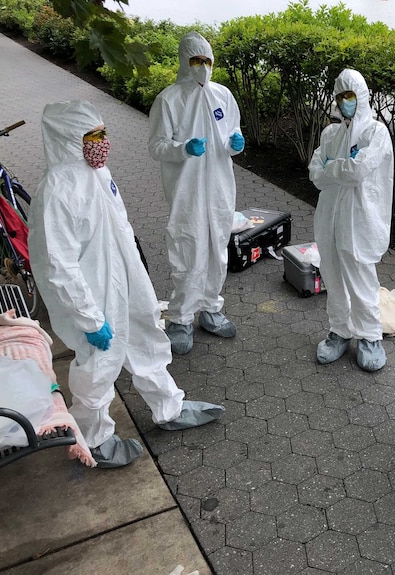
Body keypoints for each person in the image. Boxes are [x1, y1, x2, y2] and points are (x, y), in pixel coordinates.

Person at [29, 100, 225, 469]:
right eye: (93, 135)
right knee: (99, 367)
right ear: (69, 139)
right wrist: (89, 318)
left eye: (104, 132)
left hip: (126, 282)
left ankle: (169, 408)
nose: (103, 142)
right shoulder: (56, 190)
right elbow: (57, 264)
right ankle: (93, 438)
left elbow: (119, 229)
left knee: (147, 339)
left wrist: (138, 280)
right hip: (96, 296)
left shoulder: (98, 172)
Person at [148, 31, 244, 355]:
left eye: (207, 61)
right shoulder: (169, 99)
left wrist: (236, 144)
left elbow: (234, 130)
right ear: (184, 62)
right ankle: (181, 317)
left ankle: (212, 309)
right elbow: (157, 146)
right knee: (187, 246)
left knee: (218, 246)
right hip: (186, 189)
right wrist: (183, 149)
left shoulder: (223, 96)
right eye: (196, 60)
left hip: (219, 187)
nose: (202, 67)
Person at [308, 68, 394, 371]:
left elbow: (358, 171)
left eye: (351, 96)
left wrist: (333, 168)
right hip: (329, 218)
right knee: (332, 275)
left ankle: (370, 336)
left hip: (360, 220)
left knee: (361, 279)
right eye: (341, 96)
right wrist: (337, 169)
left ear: (362, 97)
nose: (346, 102)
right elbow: (315, 173)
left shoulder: (376, 133)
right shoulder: (330, 134)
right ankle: (340, 330)